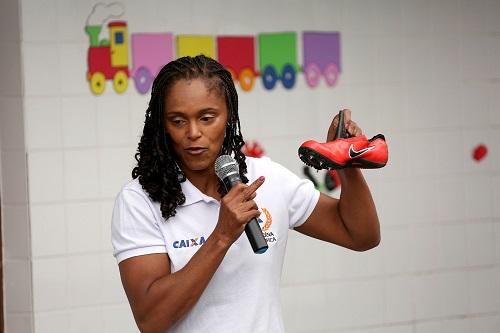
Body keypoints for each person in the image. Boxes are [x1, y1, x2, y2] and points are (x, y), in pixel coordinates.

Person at [111, 55, 380, 333]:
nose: (193, 132)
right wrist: (222, 236)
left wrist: (345, 162)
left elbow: (361, 235)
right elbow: (151, 320)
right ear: (163, 126)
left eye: (206, 118)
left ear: (228, 115)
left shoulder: (266, 177)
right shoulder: (139, 200)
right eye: (178, 121)